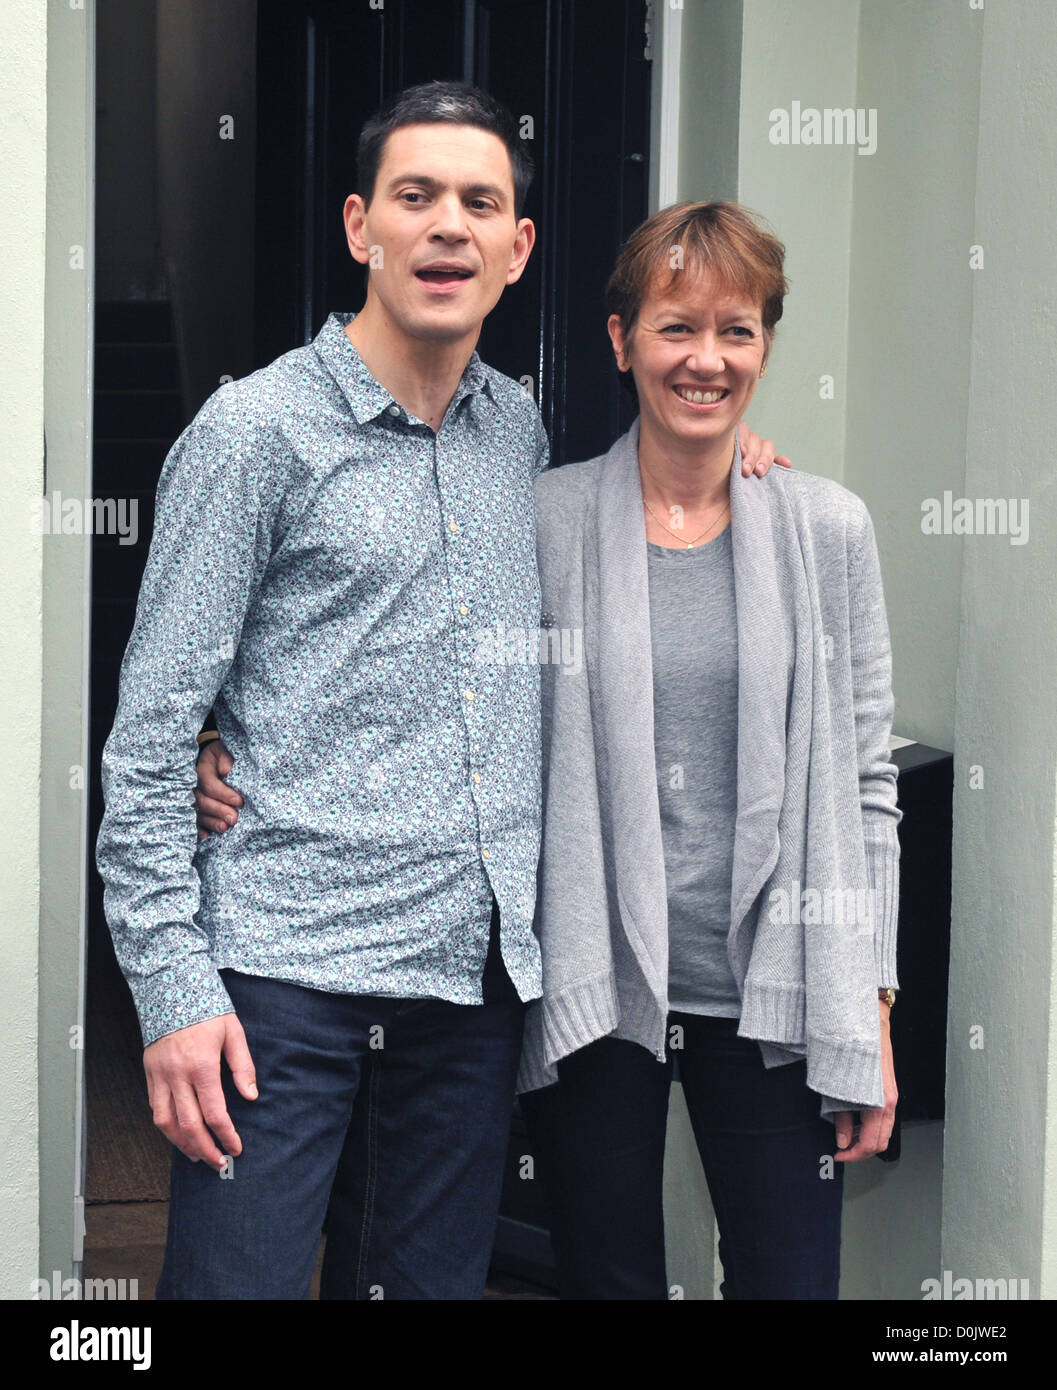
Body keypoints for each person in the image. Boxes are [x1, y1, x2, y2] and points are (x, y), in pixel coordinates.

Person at [97, 80, 783, 1302]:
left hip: (467, 992)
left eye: (480, 202)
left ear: (518, 250)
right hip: (278, 986)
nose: (448, 226)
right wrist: (170, 992)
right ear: (362, 226)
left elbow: (640, 511)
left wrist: (741, 467)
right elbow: (149, 740)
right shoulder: (253, 433)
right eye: (416, 197)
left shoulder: (512, 430)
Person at [514, 200, 901, 1300]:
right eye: (677, 327)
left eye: (736, 329)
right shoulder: (547, 519)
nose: (706, 358)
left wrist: (872, 1009)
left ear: (766, 346)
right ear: (620, 338)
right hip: (603, 979)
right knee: (607, 1281)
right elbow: (471, 717)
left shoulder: (826, 529)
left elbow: (870, 789)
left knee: (789, 1282)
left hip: (775, 993)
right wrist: (231, 749)